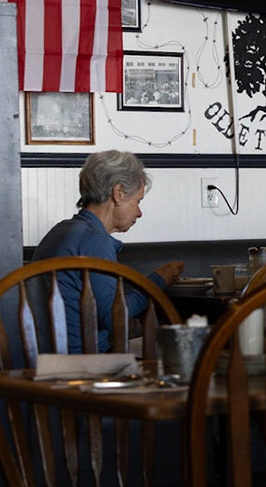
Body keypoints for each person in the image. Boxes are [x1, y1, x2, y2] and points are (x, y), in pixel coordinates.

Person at [33, 150, 183, 350]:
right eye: (137, 201)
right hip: (82, 362)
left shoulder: (60, 231)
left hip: (43, 359)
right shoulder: (94, 241)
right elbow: (114, 317)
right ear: (118, 193)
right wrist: (156, 282)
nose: (139, 212)